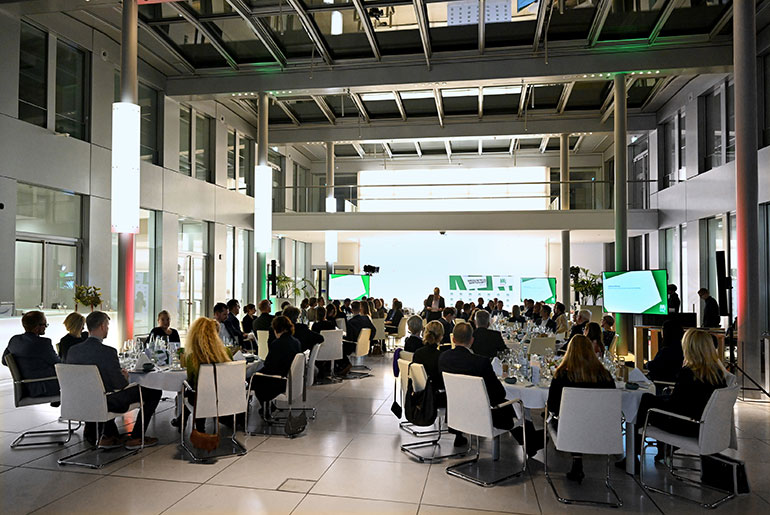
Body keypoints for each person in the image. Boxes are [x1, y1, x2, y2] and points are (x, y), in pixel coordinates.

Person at [624, 329, 728, 468]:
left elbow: (675, 406)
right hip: (704, 425)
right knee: (652, 399)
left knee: (646, 400)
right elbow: (685, 401)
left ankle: (633, 455)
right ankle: (658, 452)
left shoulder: (689, 373)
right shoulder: (718, 374)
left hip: (684, 425)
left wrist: (655, 400)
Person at [439, 323, 542, 456]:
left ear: (453, 339)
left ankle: (532, 442)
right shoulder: (481, 362)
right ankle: (532, 442)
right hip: (482, 414)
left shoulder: (443, 358)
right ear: (471, 340)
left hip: (457, 411)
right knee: (513, 405)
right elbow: (499, 393)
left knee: (506, 406)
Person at [66, 311, 161, 450]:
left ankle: (109, 436)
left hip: (79, 401)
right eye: (107, 325)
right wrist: (126, 377)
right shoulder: (108, 352)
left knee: (104, 391)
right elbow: (120, 385)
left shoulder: (73, 351)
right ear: (102, 326)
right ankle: (136, 437)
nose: (108, 329)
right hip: (105, 402)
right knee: (154, 391)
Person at [547, 334, 615, 482]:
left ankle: (576, 459)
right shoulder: (606, 376)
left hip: (568, 429)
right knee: (581, 419)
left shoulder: (562, 375)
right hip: (601, 429)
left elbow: (552, 406)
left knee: (568, 418)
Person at [172, 317, 233, 432]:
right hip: (224, 397)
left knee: (194, 390)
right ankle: (183, 420)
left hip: (201, 400)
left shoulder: (192, 357)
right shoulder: (226, 352)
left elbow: (191, 379)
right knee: (202, 390)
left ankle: (190, 423)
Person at [413, 321, 465, 446]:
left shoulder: (418, 353)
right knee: (459, 394)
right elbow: (443, 382)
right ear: (441, 337)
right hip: (434, 398)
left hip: (419, 396)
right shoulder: (441, 356)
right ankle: (458, 432)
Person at [2, 310, 60, 397]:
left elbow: (4, 361)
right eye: (45, 325)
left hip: (25, 387)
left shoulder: (14, 340)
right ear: (37, 327)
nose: (45, 327)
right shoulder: (43, 343)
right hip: (43, 387)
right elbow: (58, 363)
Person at [250, 316, 302, 406]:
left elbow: (268, 364)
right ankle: (267, 407)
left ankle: (263, 408)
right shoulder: (296, 342)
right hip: (289, 379)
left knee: (252, 379)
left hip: (278, 381)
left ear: (276, 329)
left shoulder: (277, 344)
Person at [340, 301, 376, 375]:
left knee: (338, 346)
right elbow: (374, 330)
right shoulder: (367, 319)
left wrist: (342, 337)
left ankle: (345, 364)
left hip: (354, 346)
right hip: (364, 346)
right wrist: (367, 340)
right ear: (360, 309)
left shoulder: (351, 322)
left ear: (351, 310)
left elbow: (350, 338)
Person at [646, 319, 685, 384]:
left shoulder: (667, 350)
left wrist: (647, 364)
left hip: (661, 382)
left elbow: (654, 366)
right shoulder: (683, 348)